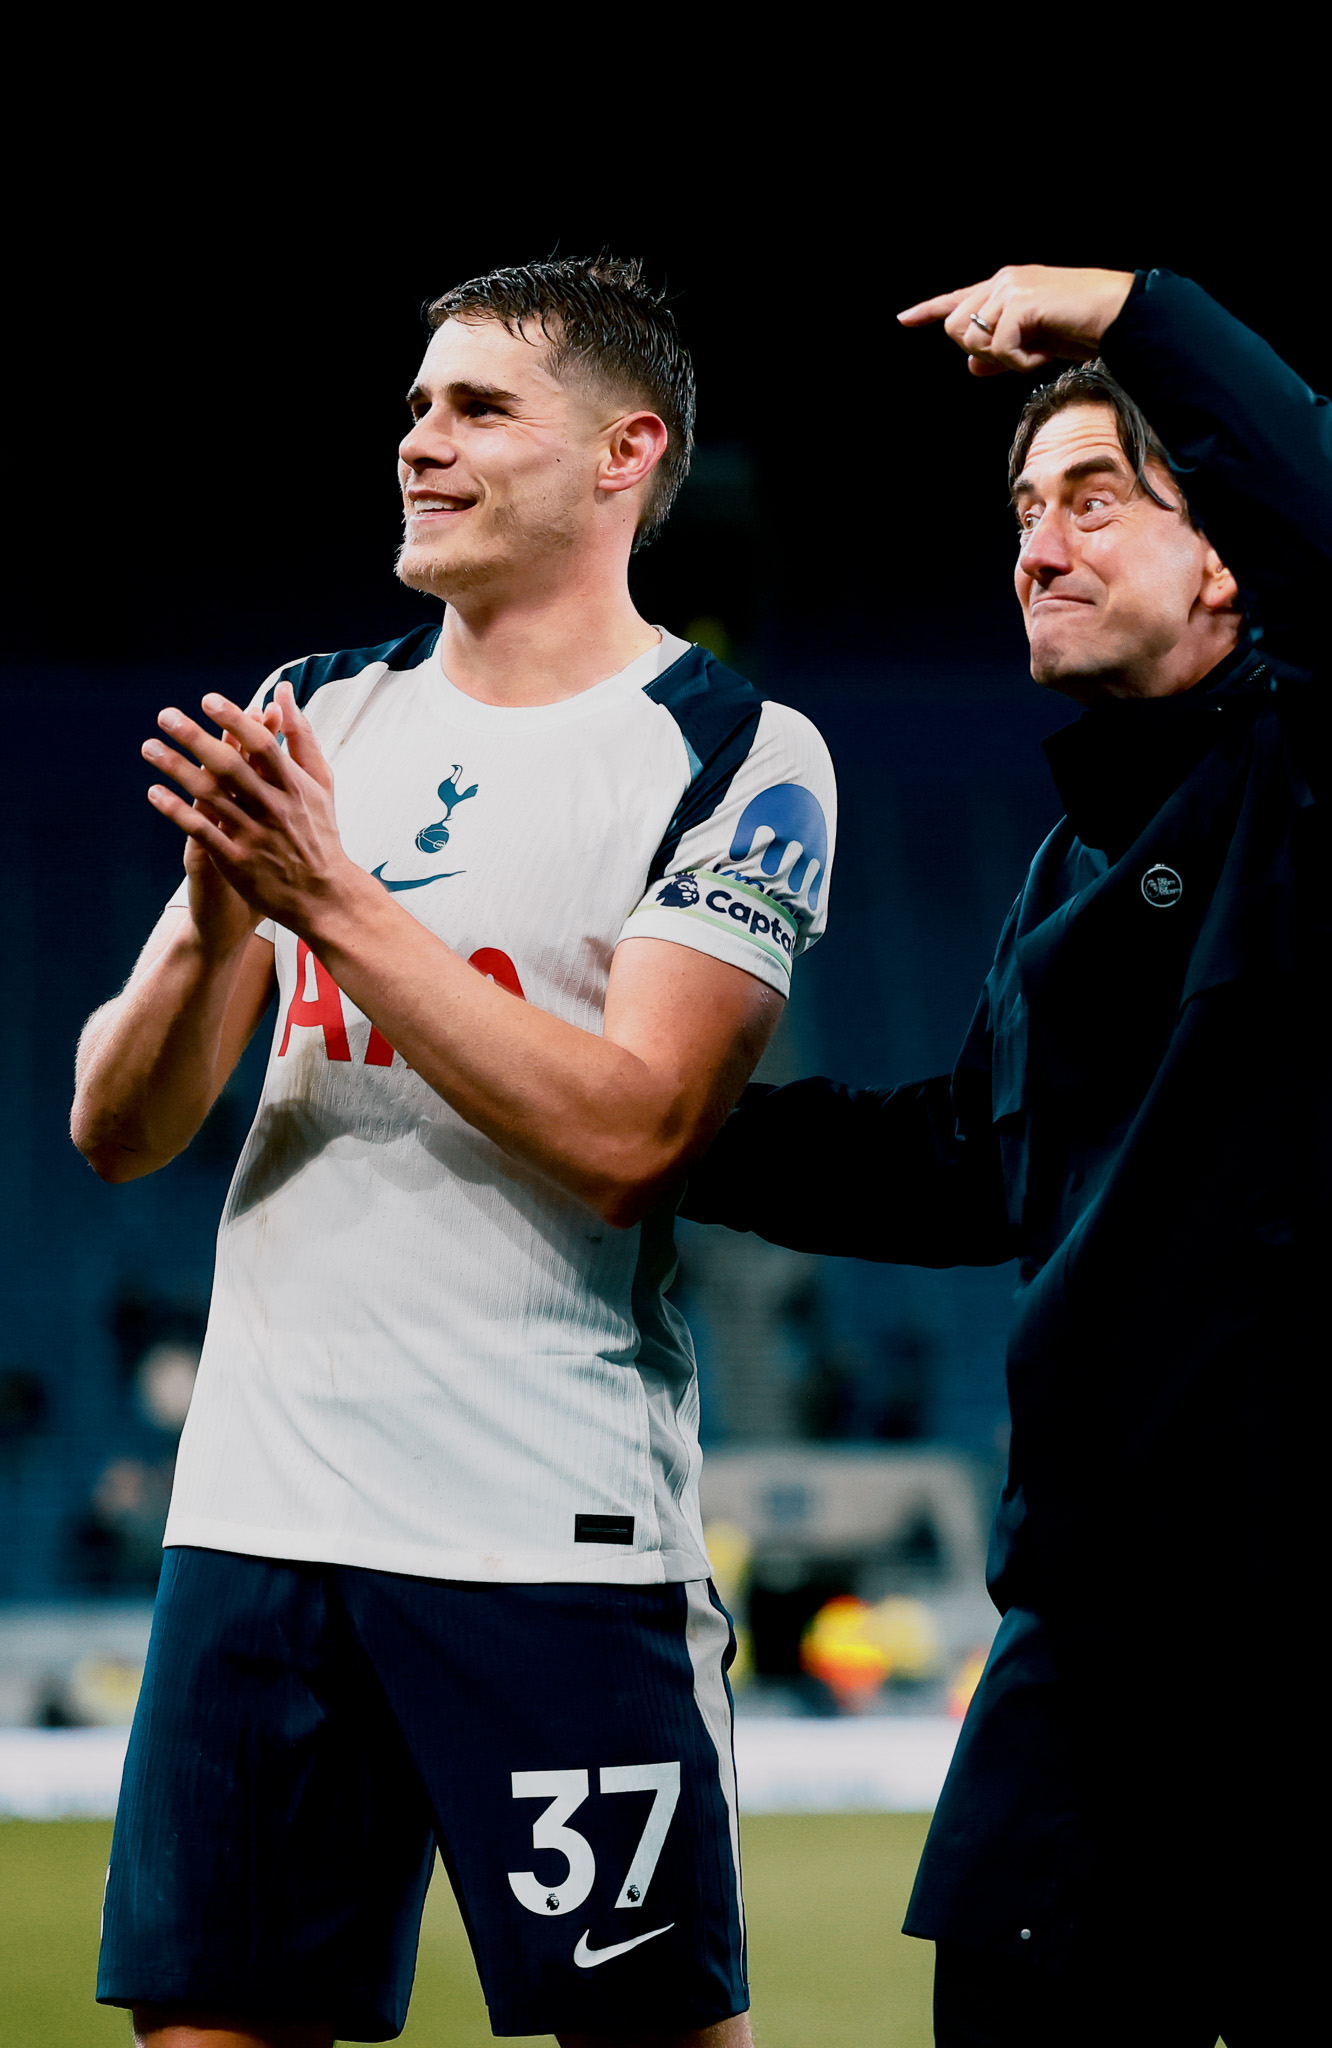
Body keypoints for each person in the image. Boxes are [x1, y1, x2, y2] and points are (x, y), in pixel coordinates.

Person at [679, 265, 1332, 2045]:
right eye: (1021, 513)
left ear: (1228, 559)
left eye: (1095, 499)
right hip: (1094, 1659)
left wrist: (1137, 310)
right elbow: (966, 1161)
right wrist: (654, 1130)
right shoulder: (1069, 871)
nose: (1036, 547)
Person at [73, 254, 836, 2048]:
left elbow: (637, 1131)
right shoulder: (314, 714)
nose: (421, 441)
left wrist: (330, 903)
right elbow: (117, 1128)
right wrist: (212, 926)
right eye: (417, 406)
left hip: (545, 1531)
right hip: (255, 1518)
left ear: (624, 452)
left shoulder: (736, 750)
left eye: (479, 407)